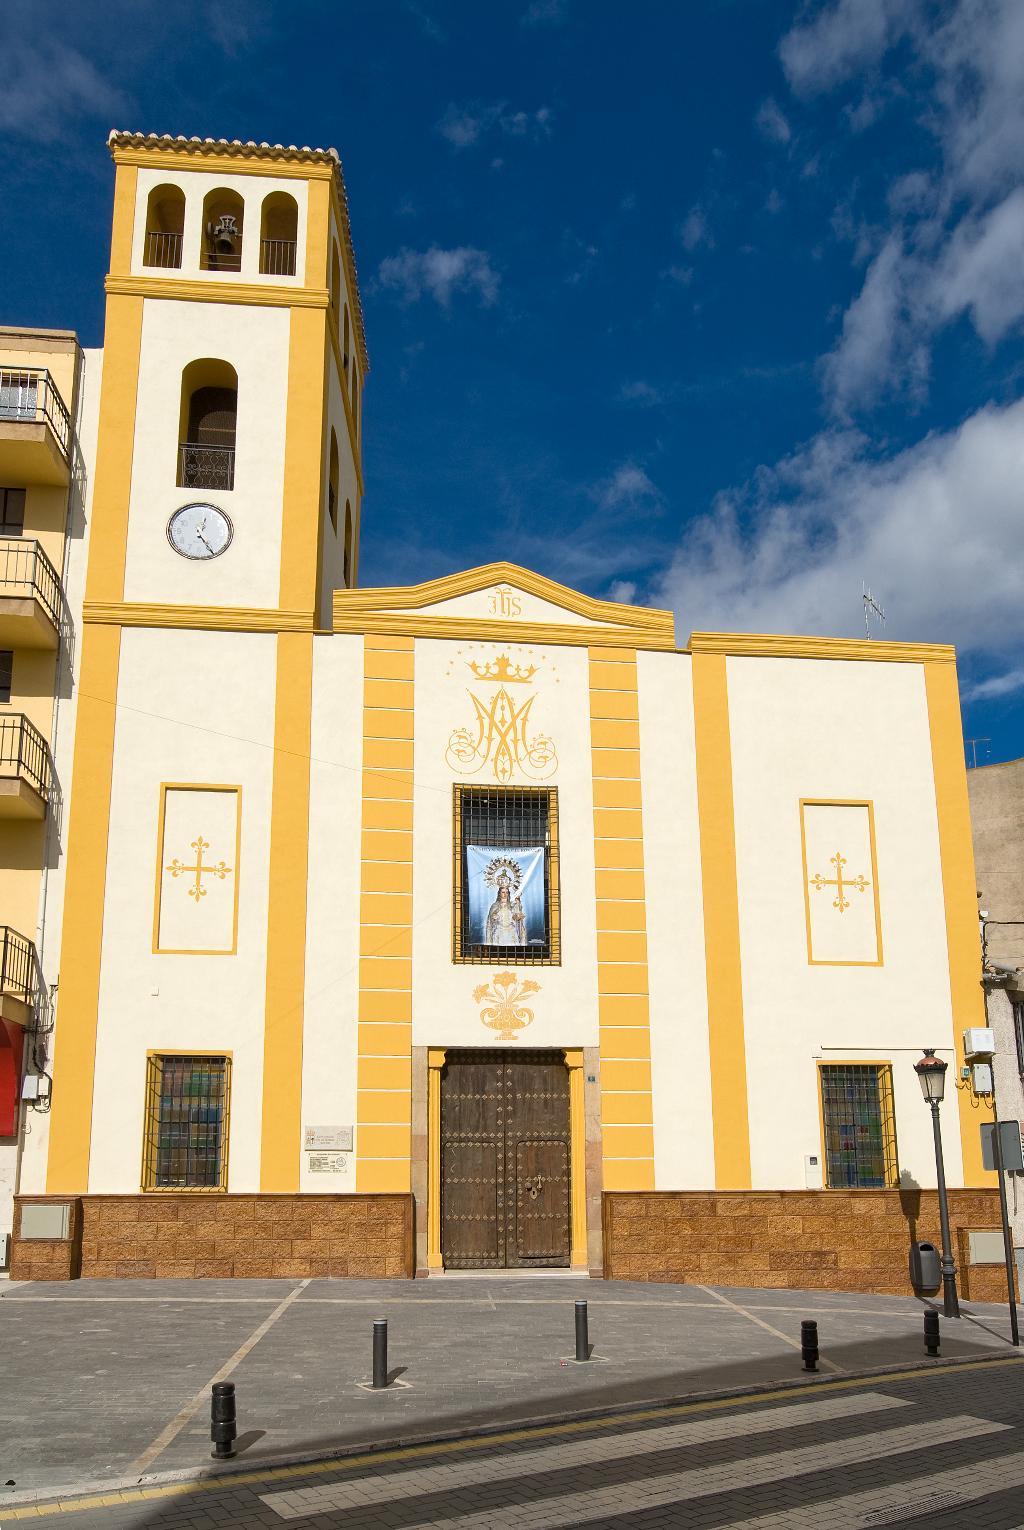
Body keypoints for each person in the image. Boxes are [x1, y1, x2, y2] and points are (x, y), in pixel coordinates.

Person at [484, 874, 526, 945]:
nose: (505, 894)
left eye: (507, 892)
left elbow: (517, 919)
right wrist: (494, 917)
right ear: (499, 893)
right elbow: (490, 923)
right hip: (499, 933)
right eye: (503, 892)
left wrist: (518, 905)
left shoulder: (512, 905)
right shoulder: (495, 906)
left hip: (511, 933)